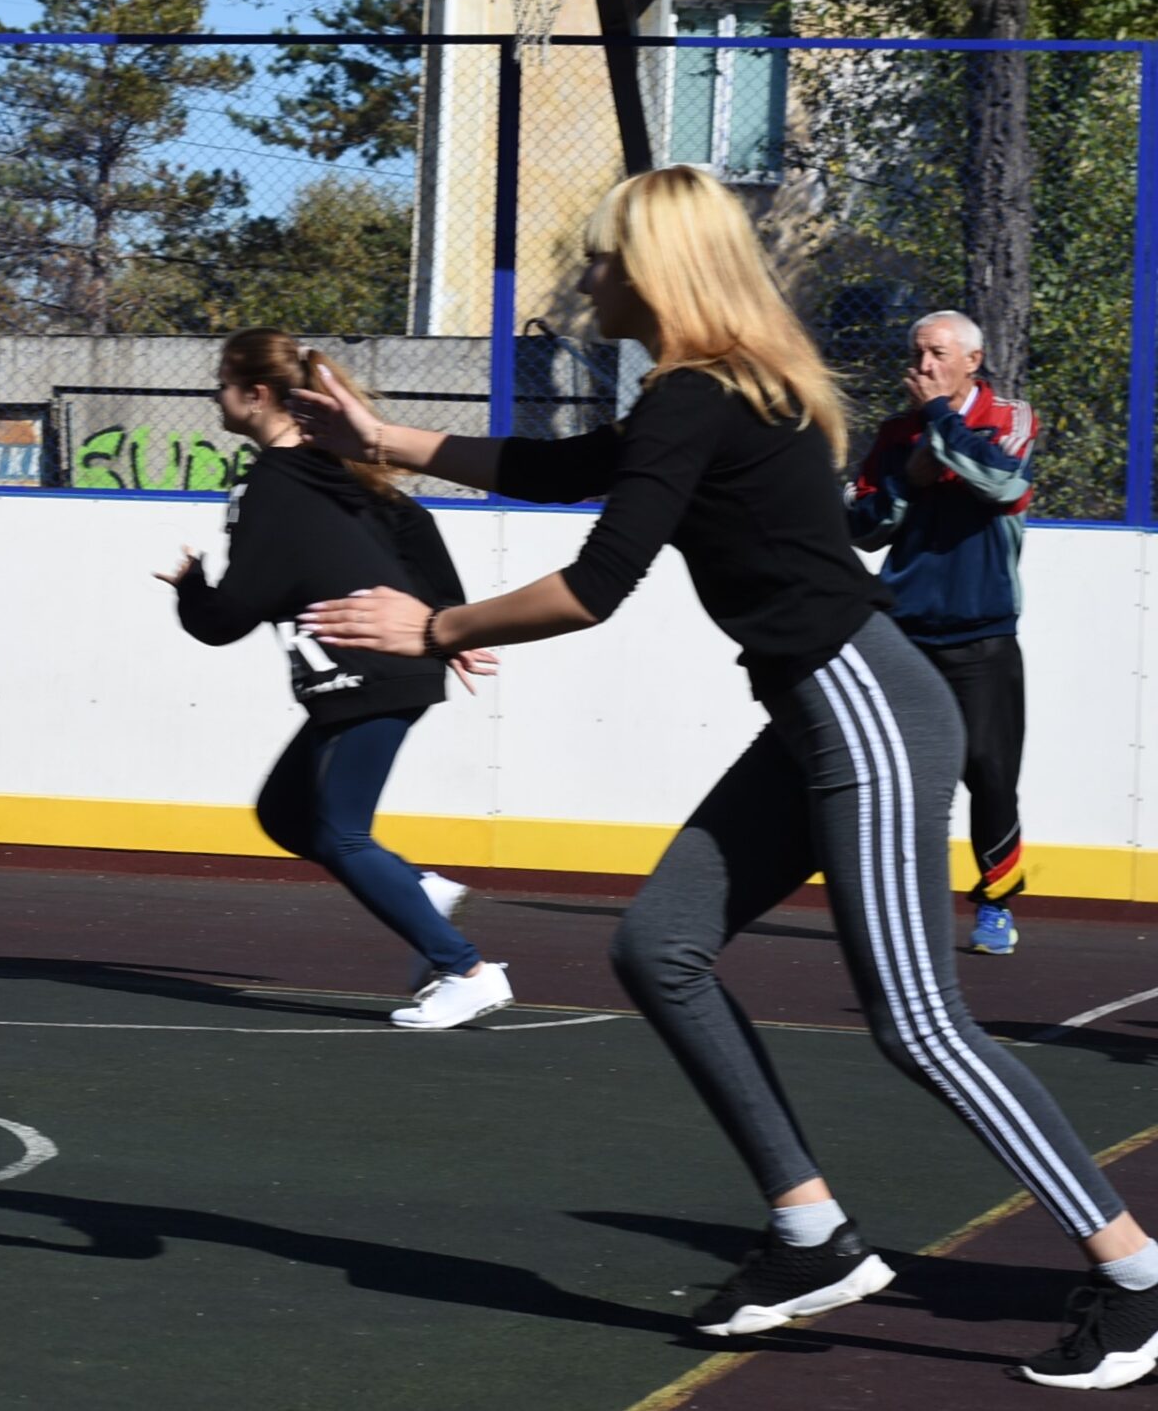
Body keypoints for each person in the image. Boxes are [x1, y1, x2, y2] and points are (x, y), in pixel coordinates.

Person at [290, 166, 1157, 1389]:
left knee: (918, 1023)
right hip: (819, 713)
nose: (587, 274)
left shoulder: (699, 394)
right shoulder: (713, 389)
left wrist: (434, 626)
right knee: (660, 947)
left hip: (862, 709)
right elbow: (570, 466)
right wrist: (383, 440)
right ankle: (811, 1234)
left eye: (602, 256)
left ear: (655, 270)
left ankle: (1133, 1277)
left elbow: (595, 585)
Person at [164, 330, 509, 1030]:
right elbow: (416, 526)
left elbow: (231, 614)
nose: (214, 396)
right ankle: (418, 889)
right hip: (379, 671)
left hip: (367, 673)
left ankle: (466, 970)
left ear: (256, 394)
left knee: (341, 833)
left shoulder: (267, 484)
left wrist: (192, 589)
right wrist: (445, 620)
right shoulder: (336, 467)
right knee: (285, 814)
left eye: (221, 383)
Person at [847, 310, 1035, 957]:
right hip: (903, 632)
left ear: (972, 361)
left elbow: (1004, 481)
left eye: (938, 354)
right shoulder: (894, 434)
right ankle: (901, 906)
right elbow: (861, 527)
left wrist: (939, 421)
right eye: (917, 353)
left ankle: (996, 905)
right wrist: (907, 479)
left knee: (990, 773)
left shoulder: (1010, 417)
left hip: (984, 634)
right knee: (896, 774)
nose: (923, 366)